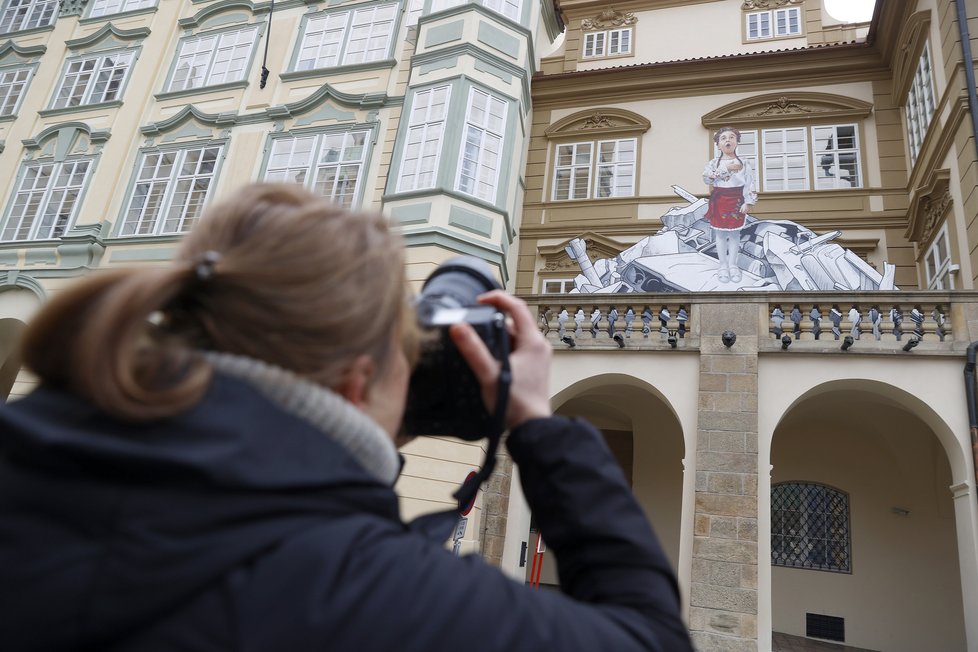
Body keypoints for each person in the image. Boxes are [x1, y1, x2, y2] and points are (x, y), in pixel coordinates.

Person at [0, 183, 692, 652]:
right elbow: (650, 636)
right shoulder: (365, 593)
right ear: (359, 381)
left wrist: (345, 441)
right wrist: (537, 422)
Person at [703, 126, 758, 284]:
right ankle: (722, 266)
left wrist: (748, 202)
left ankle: (733, 265)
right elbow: (708, 178)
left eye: (732, 137)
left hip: (737, 200)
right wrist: (725, 168)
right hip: (719, 199)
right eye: (724, 138)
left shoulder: (745, 162)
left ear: (736, 142)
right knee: (720, 235)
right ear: (718, 144)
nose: (728, 140)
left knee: (735, 235)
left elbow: (750, 182)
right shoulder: (714, 163)